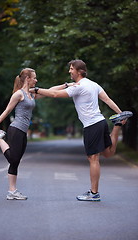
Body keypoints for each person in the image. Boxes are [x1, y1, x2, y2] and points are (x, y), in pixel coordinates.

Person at [30, 59, 133, 201]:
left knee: (93, 158)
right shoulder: (93, 84)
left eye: (71, 69)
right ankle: (117, 125)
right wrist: (120, 113)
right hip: (100, 122)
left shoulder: (78, 86)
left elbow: (54, 94)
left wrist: (35, 89)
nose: (69, 71)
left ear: (79, 71)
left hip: (92, 125)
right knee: (108, 153)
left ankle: (94, 193)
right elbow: (107, 100)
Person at [0, 68, 38, 200]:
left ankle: (12, 191)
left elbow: (51, 91)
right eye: (34, 77)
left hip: (23, 132)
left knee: (15, 162)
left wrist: (67, 86)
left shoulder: (31, 94)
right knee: (13, 159)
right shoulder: (18, 94)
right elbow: (7, 111)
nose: (36, 80)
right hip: (16, 129)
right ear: (27, 78)